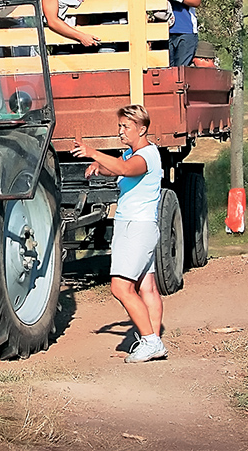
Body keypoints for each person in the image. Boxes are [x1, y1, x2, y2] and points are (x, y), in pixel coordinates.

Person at [71, 104, 167, 363]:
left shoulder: (147, 155)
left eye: (126, 127)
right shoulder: (130, 154)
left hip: (136, 227)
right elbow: (116, 168)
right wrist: (96, 166)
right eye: (120, 126)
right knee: (147, 287)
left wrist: (93, 152)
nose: (121, 131)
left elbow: (126, 170)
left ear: (142, 128)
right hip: (138, 226)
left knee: (120, 288)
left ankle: (150, 341)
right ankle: (153, 340)